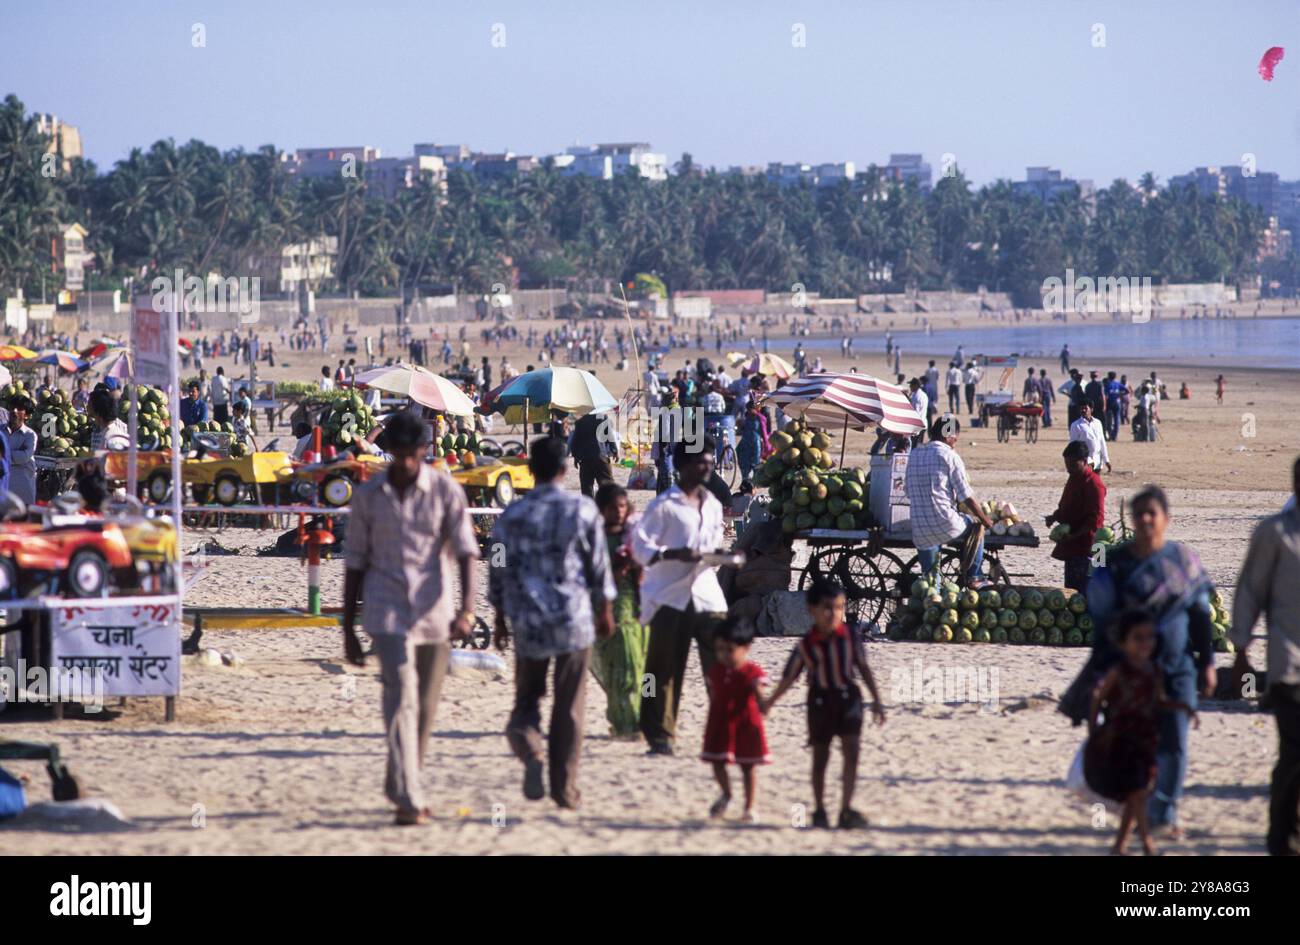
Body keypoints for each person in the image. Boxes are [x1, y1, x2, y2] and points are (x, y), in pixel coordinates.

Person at [342, 412, 479, 826]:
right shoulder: (368, 496)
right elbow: (354, 563)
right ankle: (409, 797)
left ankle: (401, 780)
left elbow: (468, 552)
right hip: (386, 611)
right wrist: (347, 625)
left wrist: (467, 611)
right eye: (397, 454)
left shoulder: (444, 491)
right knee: (400, 698)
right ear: (390, 453)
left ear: (423, 452)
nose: (404, 462)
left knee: (424, 708)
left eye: (411, 454)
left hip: (434, 612)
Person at [1082, 486, 1218, 836]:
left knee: (1175, 740)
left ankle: (1164, 813)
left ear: (1166, 520)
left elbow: (1201, 615)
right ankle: (1139, 812)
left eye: (1151, 513)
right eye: (1138, 513)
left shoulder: (1184, 561)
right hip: (1132, 674)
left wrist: (1208, 663)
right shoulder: (1115, 564)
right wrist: (1103, 670)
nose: (1144, 519)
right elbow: (1102, 619)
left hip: (1176, 668)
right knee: (1136, 745)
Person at [490, 436, 616, 808]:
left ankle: (530, 751)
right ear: (565, 470)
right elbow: (598, 566)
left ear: (529, 470)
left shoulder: (511, 515)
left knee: (527, 700)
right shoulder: (583, 510)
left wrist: (498, 616)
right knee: (570, 706)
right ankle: (565, 789)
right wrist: (605, 609)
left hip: (527, 620)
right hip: (573, 619)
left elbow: (497, 566)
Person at [762, 577, 885, 829]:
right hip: (819, 701)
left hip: (848, 697)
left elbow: (864, 669)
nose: (834, 614)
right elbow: (789, 677)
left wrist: (878, 701)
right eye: (827, 608)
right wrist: (770, 702)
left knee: (852, 753)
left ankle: (845, 809)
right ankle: (819, 809)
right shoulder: (807, 645)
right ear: (812, 609)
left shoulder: (851, 637)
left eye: (839, 608)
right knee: (821, 757)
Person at [631, 435, 728, 756]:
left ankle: (722, 733)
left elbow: (714, 547)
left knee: (720, 667)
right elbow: (640, 546)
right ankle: (659, 735)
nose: (706, 468)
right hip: (669, 596)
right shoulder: (664, 505)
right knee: (661, 671)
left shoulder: (713, 505)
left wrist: (723, 557)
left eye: (710, 462)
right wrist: (671, 554)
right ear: (682, 465)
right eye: (700, 461)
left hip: (707, 595)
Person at [1229, 456, 1300, 855]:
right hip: (1288, 668)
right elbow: (1249, 591)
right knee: (1294, 752)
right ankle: (1283, 840)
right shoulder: (1274, 533)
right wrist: (1240, 651)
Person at [1085, 610, 1198, 856]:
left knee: (1136, 794)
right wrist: (1093, 730)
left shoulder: (1153, 670)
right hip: (1122, 738)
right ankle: (1148, 843)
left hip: (1145, 738)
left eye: (1150, 638)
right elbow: (1097, 699)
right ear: (1123, 642)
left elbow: (1159, 700)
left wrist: (1184, 708)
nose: (1145, 644)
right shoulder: (1119, 671)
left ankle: (1119, 846)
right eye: (1138, 638)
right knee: (1137, 791)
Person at [903, 415, 995, 586]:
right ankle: (975, 575)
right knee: (976, 527)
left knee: (931, 581)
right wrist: (984, 519)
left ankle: (933, 597)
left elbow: (908, 491)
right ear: (948, 435)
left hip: (920, 529)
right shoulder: (949, 455)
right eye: (955, 438)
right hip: (946, 524)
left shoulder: (914, 454)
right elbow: (966, 496)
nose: (955, 443)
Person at [591, 483, 651, 740]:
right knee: (622, 667)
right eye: (612, 508)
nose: (618, 512)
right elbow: (597, 580)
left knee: (638, 667)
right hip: (611, 612)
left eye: (622, 507)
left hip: (636, 609)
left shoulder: (633, 536)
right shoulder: (595, 541)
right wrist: (622, 568)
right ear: (602, 510)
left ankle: (635, 719)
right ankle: (625, 723)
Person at [700, 616, 769, 822]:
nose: (723, 655)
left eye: (729, 649)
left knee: (747, 766)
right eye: (719, 650)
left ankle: (749, 807)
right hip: (720, 722)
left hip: (745, 723)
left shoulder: (751, 672)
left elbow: (759, 695)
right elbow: (714, 695)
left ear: (745, 648)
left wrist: (764, 704)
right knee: (717, 761)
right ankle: (727, 793)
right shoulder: (715, 671)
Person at [1045, 441, 1106, 592]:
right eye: (1067, 464)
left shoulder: (1094, 484)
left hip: (1091, 547)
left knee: (1091, 592)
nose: (1069, 468)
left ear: (1084, 461)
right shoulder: (1074, 477)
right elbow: (1068, 506)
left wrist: (1074, 535)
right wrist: (1054, 517)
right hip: (1073, 546)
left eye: (1073, 464)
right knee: (1072, 591)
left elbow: (1096, 520)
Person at [569, 409, 615, 498]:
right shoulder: (603, 418)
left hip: (585, 458)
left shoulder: (580, 422)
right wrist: (614, 450)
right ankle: (608, 504)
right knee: (607, 484)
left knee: (587, 486)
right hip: (601, 456)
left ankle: (589, 507)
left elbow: (575, 441)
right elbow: (609, 435)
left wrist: (575, 457)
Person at [4, 397, 36, 506]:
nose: (14, 410)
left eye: (19, 409)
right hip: (3, 490)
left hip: (23, 491)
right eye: (13, 407)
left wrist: (3, 454)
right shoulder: (0, 431)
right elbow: (18, 457)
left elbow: (24, 457)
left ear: (26, 415)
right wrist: (15, 453)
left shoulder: (30, 435)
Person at [1069, 401, 1111, 474]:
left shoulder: (1098, 423)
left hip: (1097, 460)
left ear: (1091, 409)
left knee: (1096, 482)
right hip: (1085, 461)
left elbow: (1102, 442)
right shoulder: (1076, 425)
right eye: (1081, 408)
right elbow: (1073, 445)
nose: (1083, 410)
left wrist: (1106, 460)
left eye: (1085, 408)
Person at [736, 402, 765, 483]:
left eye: (751, 408)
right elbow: (741, 430)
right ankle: (745, 479)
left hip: (756, 442)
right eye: (748, 409)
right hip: (745, 441)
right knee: (742, 458)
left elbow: (765, 431)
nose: (750, 411)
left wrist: (766, 443)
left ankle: (756, 481)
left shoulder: (760, 418)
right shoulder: (746, 417)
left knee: (756, 462)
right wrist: (739, 425)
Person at [907, 378, 928, 448]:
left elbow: (916, 413)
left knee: (914, 447)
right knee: (917, 446)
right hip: (922, 423)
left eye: (911, 385)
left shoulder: (917, 396)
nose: (910, 387)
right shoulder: (923, 394)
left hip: (917, 425)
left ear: (916, 385)